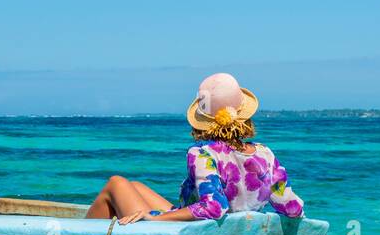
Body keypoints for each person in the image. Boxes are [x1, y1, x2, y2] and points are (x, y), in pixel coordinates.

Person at [86, 72, 305, 224]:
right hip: (214, 232)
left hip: (186, 233)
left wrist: (155, 218)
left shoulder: (203, 154)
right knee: (132, 186)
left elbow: (215, 208)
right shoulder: (265, 154)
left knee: (116, 183)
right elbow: (292, 207)